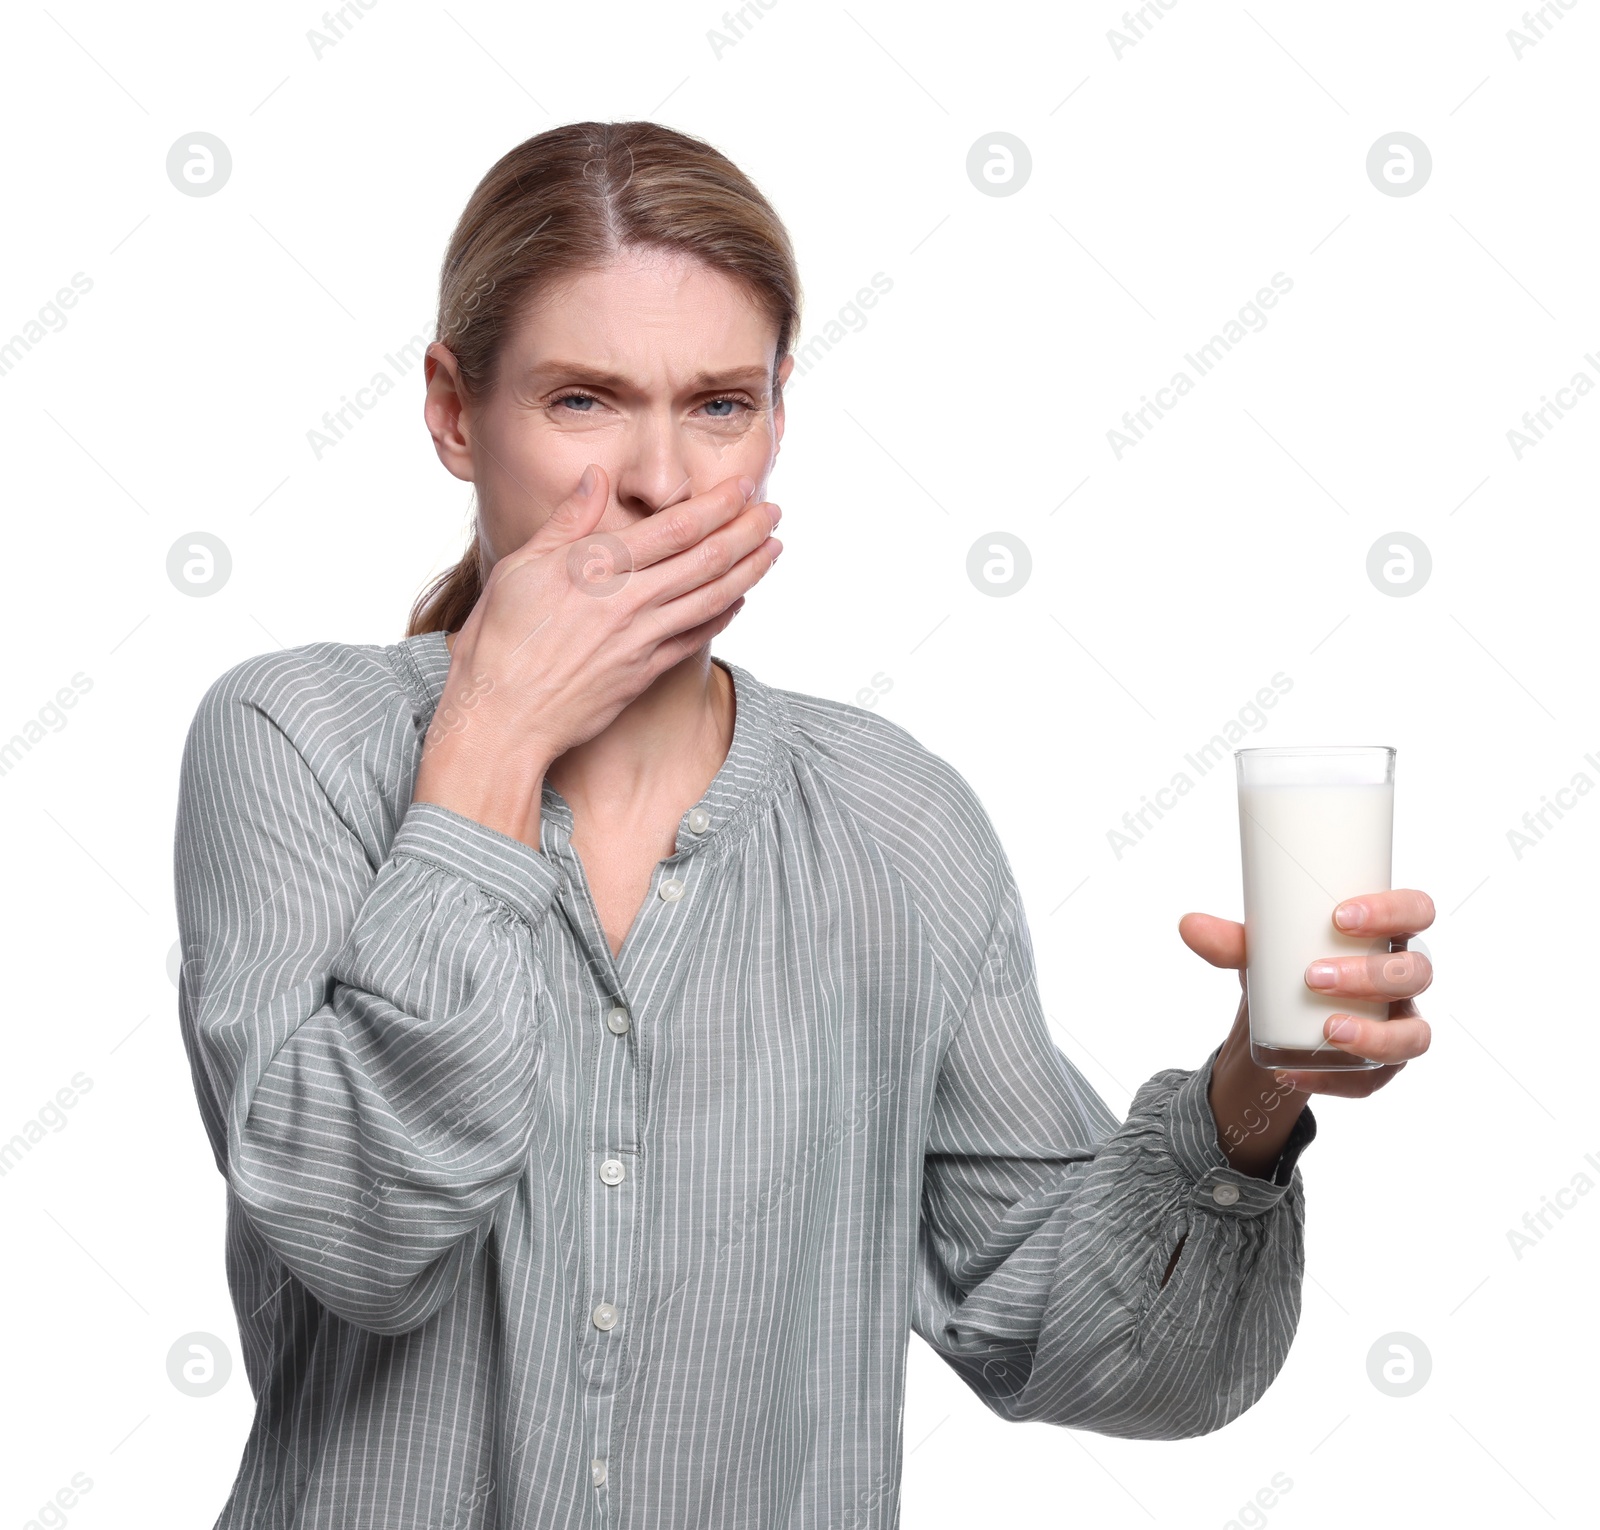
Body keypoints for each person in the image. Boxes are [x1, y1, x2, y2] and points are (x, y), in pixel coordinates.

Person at [173, 120, 1434, 1529]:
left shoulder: (897, 822)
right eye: (583, 400)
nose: (658, 481)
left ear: (778, 417)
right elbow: (359, 1232)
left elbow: (1068, 1333)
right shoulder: (296, 743)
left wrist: (1252, 1094)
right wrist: (494, 734)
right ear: (456, 413)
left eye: (718, 404)